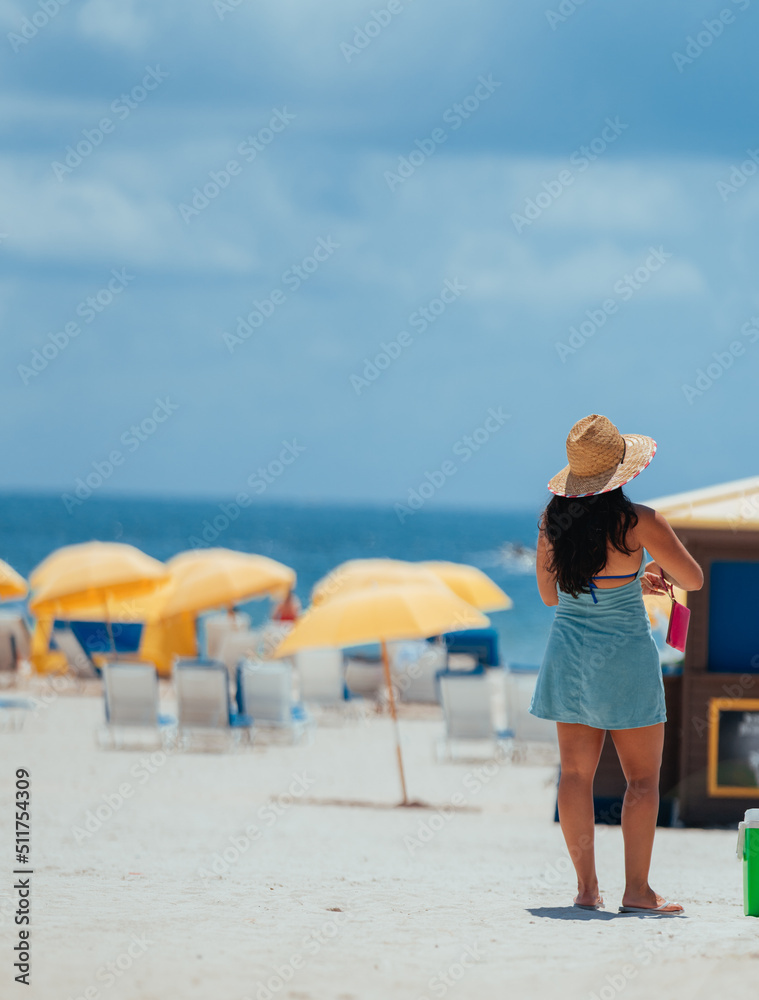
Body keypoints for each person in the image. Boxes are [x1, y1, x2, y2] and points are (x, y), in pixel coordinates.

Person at [530, 414, 703, 915]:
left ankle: (586, 890)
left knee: (575, 776)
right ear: (621, 473)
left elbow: (549, 596)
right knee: (642, 781)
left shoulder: (551, 524)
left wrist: (619, 581)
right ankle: (637, 891)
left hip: (569, 656)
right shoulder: (639, 521)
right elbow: (691, 577)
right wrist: (644, 572)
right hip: (625, 658)